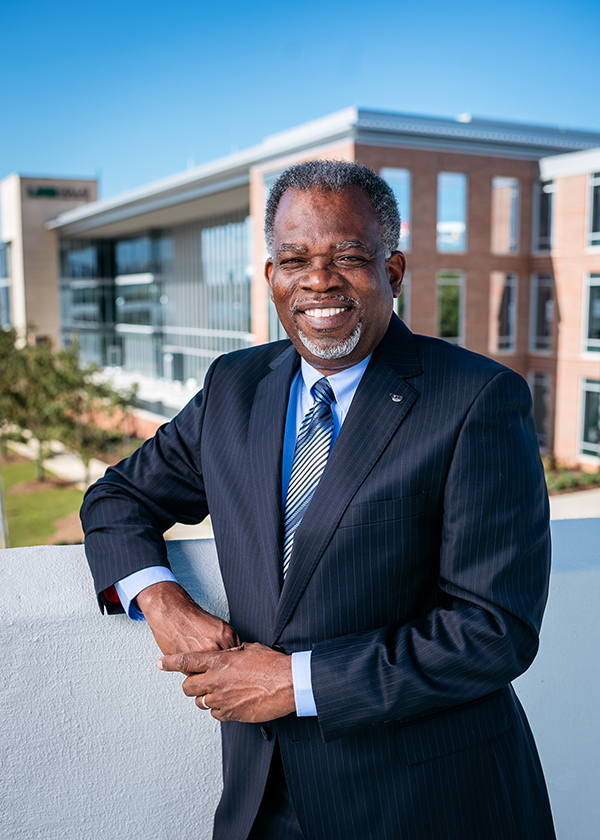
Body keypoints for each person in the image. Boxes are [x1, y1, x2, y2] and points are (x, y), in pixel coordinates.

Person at [81, 160, 555, 840]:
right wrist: (161, 599)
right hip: (261, 803)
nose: (319, 281)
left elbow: (494, 632)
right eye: (294, 259)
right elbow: (118, 497)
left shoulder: (476, 399)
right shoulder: (233, 389)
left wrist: (297, 683)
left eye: (349, 257)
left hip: (427, 804)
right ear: (271, 278)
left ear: (392, 273)